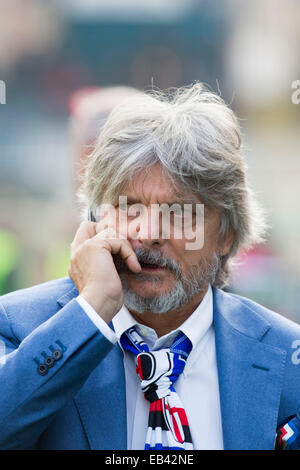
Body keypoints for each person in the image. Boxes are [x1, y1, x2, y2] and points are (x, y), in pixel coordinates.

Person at [0, 82, 300, 450]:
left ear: (226, 233)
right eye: (130, 207)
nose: (150, 232)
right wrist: (91, 311)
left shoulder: (289, 358)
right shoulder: (18, 326)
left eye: (179, 212)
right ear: (96, 219)